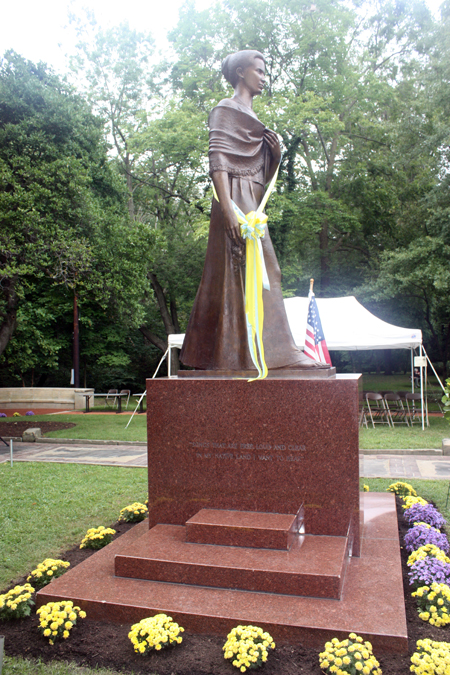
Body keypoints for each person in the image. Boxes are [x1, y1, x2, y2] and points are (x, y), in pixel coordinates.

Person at [180, 49, 327, 371]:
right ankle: (278, 353)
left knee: (257, 274)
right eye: (258, 71)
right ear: (241, 72)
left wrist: (274, 157)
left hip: (252, 198)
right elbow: (218, 162)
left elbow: (261, 174)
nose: (264, 77)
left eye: (264, 72)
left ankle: (244, 354)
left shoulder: (255, 117)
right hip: (233, 199)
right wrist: (229, 212)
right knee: (262, 271)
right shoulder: (224, 109)